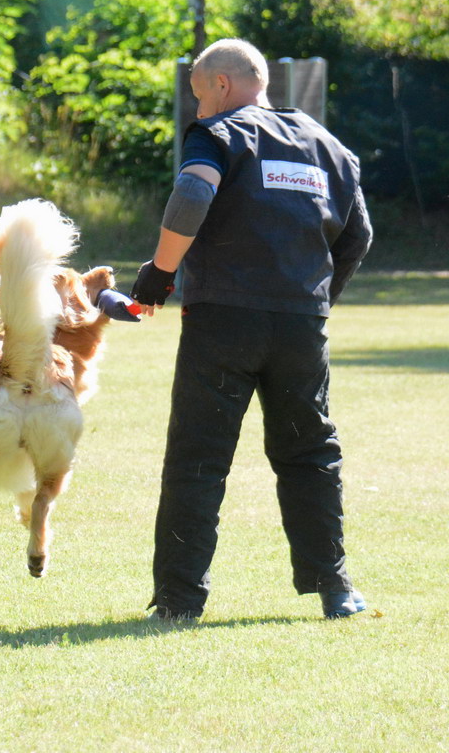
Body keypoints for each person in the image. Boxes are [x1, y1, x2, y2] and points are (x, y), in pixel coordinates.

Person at [129, 38, 373, 621]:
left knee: (197, 457)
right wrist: (316, 299)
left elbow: (192, 192)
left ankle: (180, 602)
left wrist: (160, 273)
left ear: (221, 85)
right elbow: (358, 236)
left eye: (198, 96)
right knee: (311, 452)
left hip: (223, 321)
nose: (198, 111)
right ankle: (335, 590)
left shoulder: (218, 135)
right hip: (300, 326)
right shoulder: (328, 146)